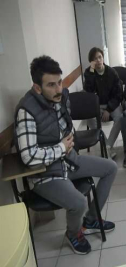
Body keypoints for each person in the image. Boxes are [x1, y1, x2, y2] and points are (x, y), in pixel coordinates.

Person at [14, 56, 117, 255]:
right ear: (37, 87)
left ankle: (92, 219)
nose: (58, 89)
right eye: (51, 85)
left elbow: (63, 128)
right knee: (79, 202)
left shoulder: (60, 98)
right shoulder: (26, 111)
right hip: (45, 174)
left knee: (110, 168)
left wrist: (67, 144)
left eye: (59, 82)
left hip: (69, 161)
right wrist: (60, 148)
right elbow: (28, 157)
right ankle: (73, 233)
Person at [83, 47, 123, 159]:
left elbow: (118, 94)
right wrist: (91, 72)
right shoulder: (88, 73)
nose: (98, 60)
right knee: (90, 120)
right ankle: (108, 147)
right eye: (95, 59)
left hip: (111, 104)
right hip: (96, 105)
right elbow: (88, 92)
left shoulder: (111, 72)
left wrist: (109, 109)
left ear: (103, 57)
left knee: (120, 117)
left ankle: (107, 145)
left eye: (100, 57)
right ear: (91, 61)